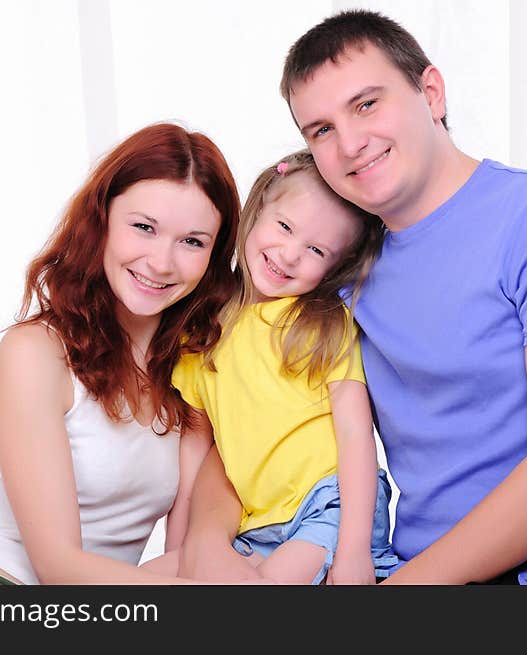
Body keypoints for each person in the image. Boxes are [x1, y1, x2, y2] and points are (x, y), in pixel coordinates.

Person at [183, 10, 527, 585]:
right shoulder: (336, 270)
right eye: (321, 130)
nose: (351, 143)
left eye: (366, 104)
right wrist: (205, 543)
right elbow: (245, 417)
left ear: (430, 92)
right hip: (405, 570)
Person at [0, 123, 241, 585]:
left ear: (215, 255)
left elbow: (190, 549)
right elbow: (58, 566)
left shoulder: (195, 369)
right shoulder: (36, 353)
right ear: (102, 221)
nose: (161, 262)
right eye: (143, 228)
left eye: (192, 241)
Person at [144, 151, 395, 585]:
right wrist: (181, 552)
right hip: (256, 522)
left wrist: (354, 551)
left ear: (336, 267)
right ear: (257, 208)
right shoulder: (202, 335)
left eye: (316, 250)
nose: (290, 254)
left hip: (330, 504)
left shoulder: (319, 324)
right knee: (142, 583)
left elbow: (357, 435)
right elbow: (196, 455)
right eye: (284, 227)